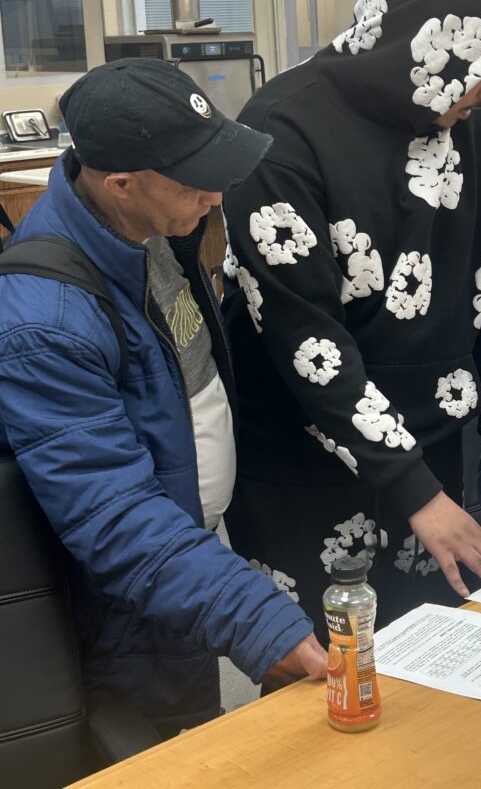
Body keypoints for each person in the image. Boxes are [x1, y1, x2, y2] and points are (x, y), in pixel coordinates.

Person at [221, 0, 481, 634]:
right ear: (423, 45)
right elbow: (306, 342)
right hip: (305, 463)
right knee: (326, 670)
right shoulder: (280, 131)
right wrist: (415, 493)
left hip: (433, 448)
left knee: (434, 650)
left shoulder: (471, 121)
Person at [0, 58, 326, 739]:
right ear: (121, 182)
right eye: (194, 182)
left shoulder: (148, 230)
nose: (215, 196)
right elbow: (112, 513)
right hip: (127, 600)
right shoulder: (44, 322)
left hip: (184, 562)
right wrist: (255, 618)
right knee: (152, 752)